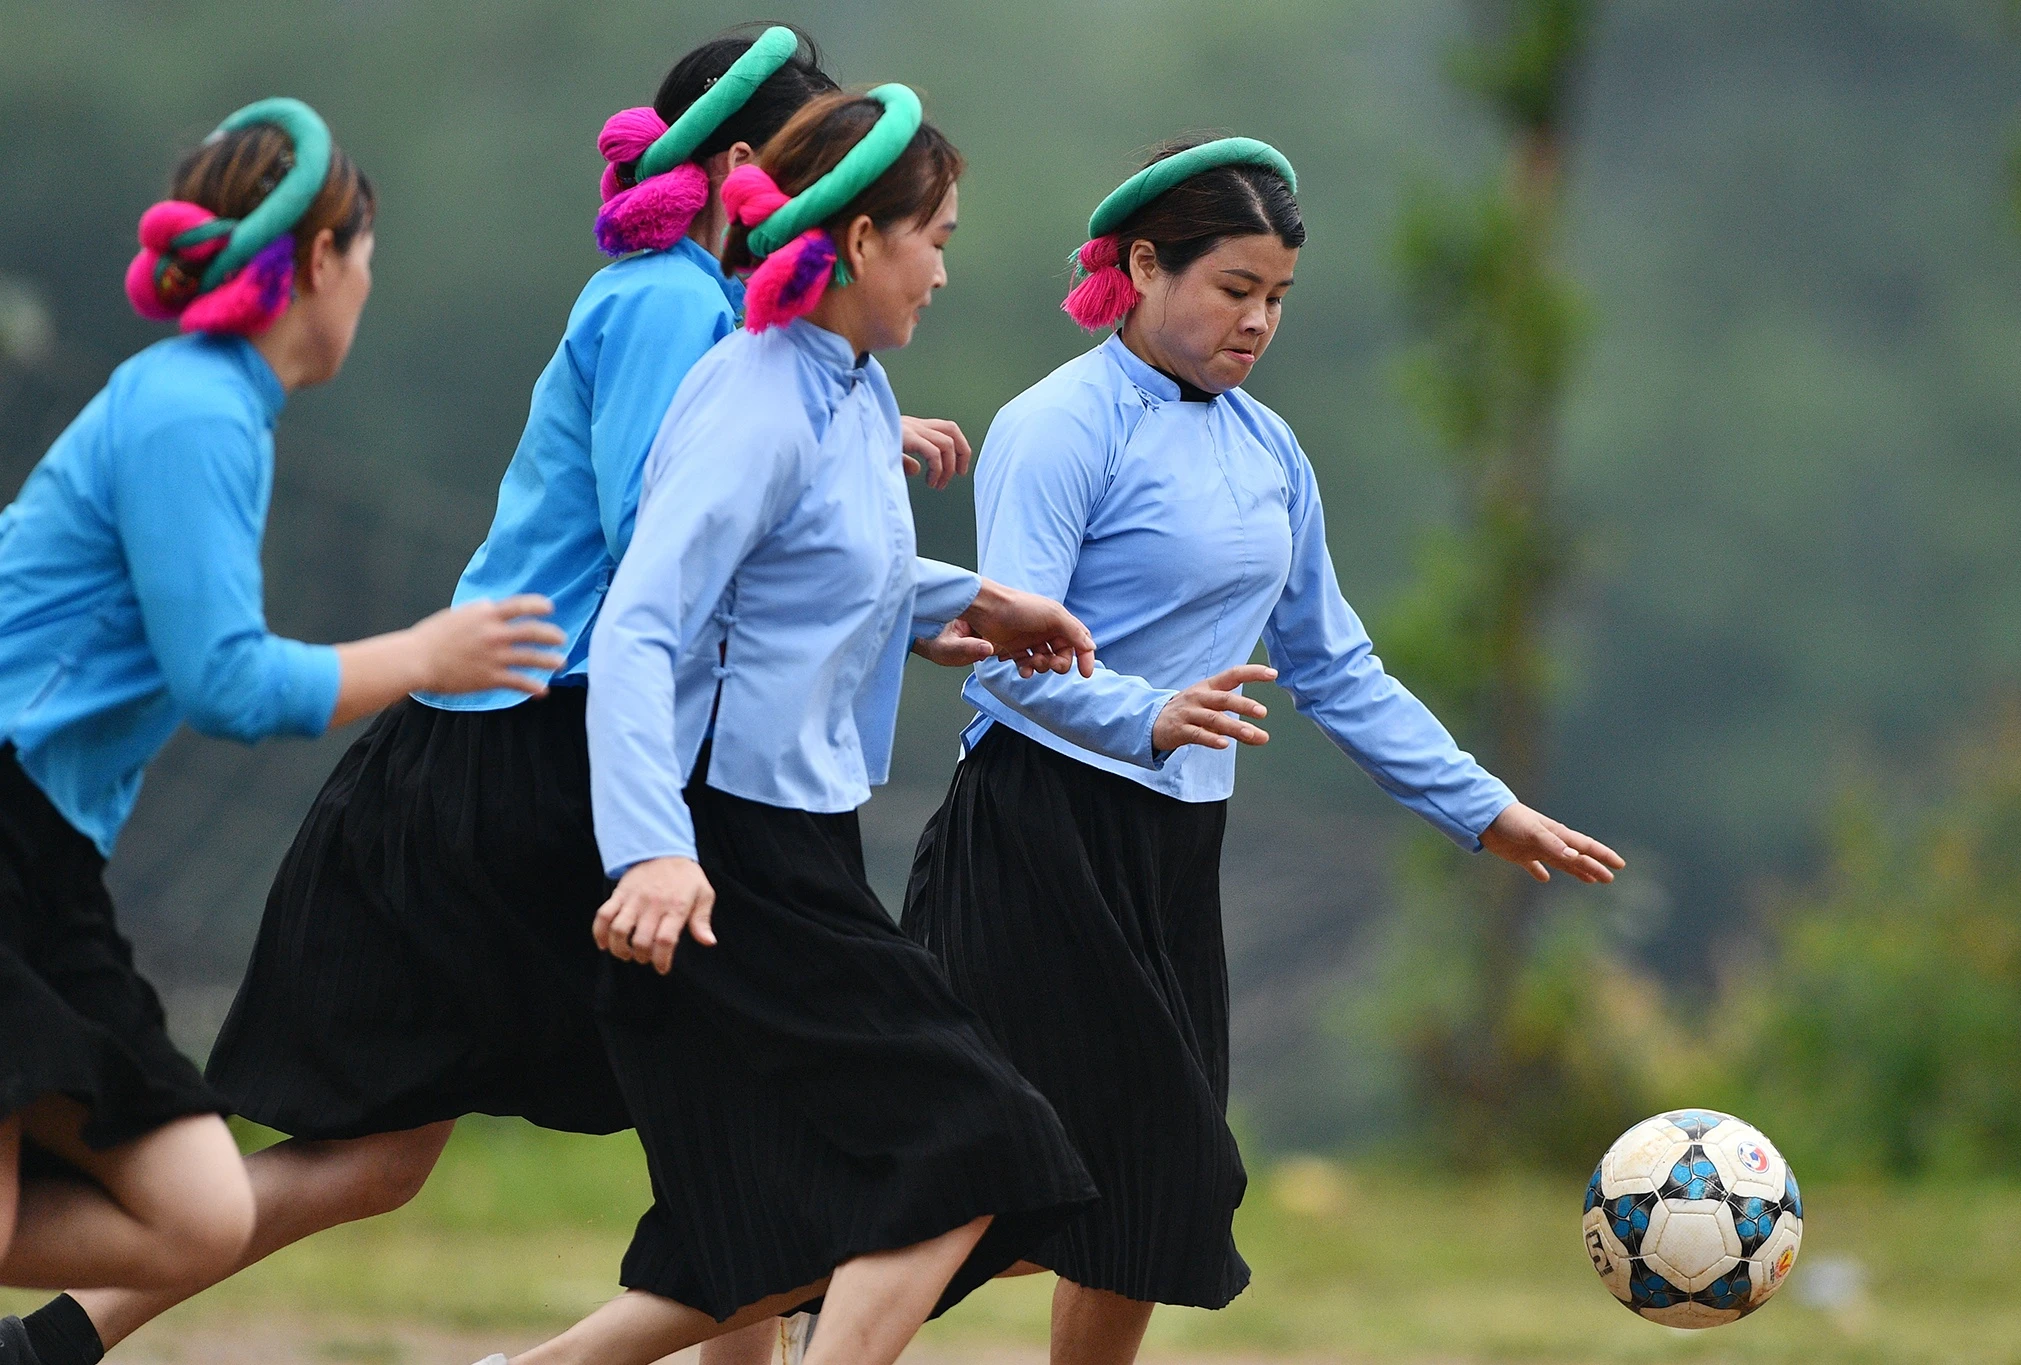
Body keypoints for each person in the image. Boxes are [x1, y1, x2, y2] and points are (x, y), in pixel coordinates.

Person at [29, 28, 976, 1365]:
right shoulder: (666, 302)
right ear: (754, 166)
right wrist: (906, 554)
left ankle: (59, 1339)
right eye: (826, 156)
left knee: (426, 1153)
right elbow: (676, 532)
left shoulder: (729, 323)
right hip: (530, 753)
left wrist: (902, 542)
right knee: (748, 1111)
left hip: (547, 744)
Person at [901, 135, 1627, 1365]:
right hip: (1033, 837)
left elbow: (1334, 665)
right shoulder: (1058, 426)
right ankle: (766, 1298)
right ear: (1141, 265)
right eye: (1232, 288)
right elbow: (1001, 659)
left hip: (1173, 848)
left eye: (1276, 297)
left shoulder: (1268, 451)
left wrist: (1482, 807)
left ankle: (800, 1289)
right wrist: (1145, 714)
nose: (1256, 322)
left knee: (1150, 1193)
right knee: (1017, 1173)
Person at [480, 84, 1101, 1365]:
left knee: (771, 1229)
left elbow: (816, 569)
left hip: (798, 833)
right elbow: (645, 623)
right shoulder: (755, 394)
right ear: (861, 238)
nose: (942, 263)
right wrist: (652, 847)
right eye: (931, 232)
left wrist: (974, 601)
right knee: (978, 1145)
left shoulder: (852, 387)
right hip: (728, 848)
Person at [0, 98, 565, 1360]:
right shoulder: (194, 409)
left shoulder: (219, 407)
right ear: (317, 261)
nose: (364, 288)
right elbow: (228, 685)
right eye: (363, 260)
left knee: (197, 1217)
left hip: (44, 860)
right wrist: (427, 653)